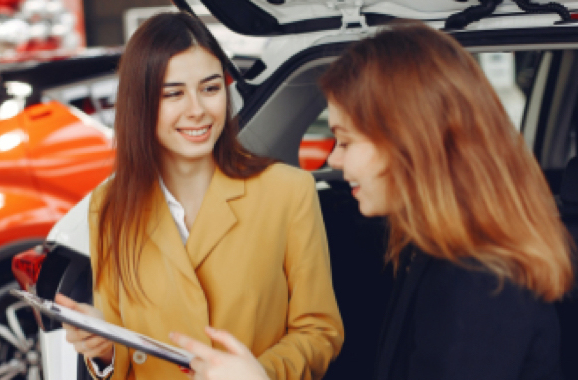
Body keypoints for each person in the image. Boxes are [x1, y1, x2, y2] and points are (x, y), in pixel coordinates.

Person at [170, 21, 575, 380]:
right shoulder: (437, 251)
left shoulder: (481, 285)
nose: (333, 158)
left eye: (345, 140)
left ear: (409, 144)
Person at [55, 11, 344, 380]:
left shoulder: (288, 192)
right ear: (140, 104)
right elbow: (123, 351)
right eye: (173, 94)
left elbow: (320, 332)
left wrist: (260, 374)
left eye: (210, 89)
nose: (197, 110)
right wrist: (106, 349)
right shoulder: (109, 207)